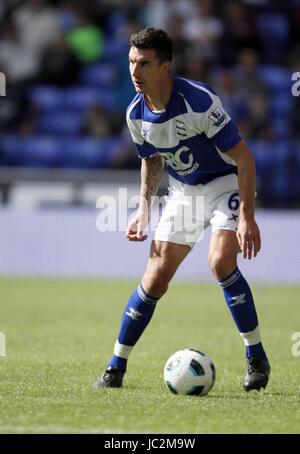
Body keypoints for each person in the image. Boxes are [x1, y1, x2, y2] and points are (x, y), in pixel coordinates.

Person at [93, 27, 270, 392]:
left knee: (221, 261)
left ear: (165, 67)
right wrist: (144, 208)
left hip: (224, 184)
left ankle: (256, 357)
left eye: (144, 63)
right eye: (131, 62)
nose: (134, 71)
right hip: (184, 193)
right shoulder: (135, 114)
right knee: (155, 276)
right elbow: (151, 161)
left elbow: (244, 158)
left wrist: (248, 217)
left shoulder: (199, 102)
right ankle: (115, 367)